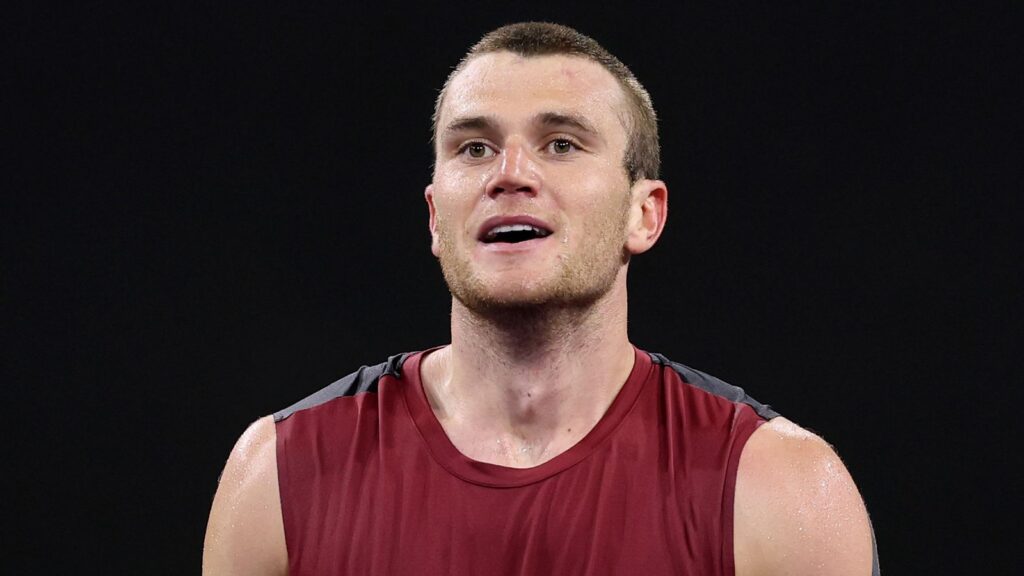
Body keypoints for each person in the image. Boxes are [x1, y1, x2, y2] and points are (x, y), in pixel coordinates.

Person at [203, 22, 878, 575]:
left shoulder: (780, 489)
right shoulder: (279, 476)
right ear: (435, 216)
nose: (510, 174)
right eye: (474, 148)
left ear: (644, 213)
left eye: (561, 143)